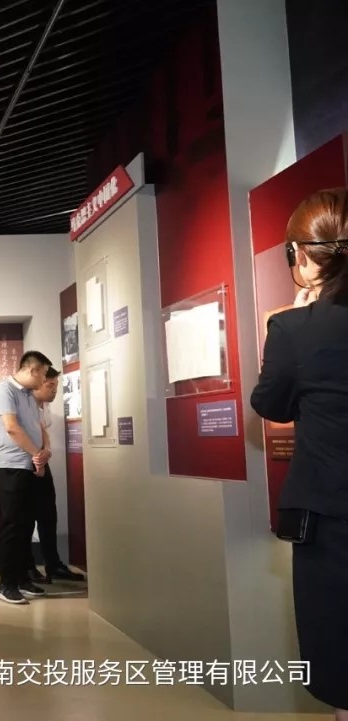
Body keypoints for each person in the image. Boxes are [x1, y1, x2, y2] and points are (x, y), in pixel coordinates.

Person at [250, 188, 348, 720]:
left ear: (304, 256)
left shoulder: (294, 328)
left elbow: (271, 403)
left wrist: (296, 319)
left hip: (331, 517)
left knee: (340, 654)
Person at [0, 350, 52, 605]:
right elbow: (11, 427)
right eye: (44, 374)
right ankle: (6, 584)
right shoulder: (5, 390)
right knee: (13, 525)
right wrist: (37, 454)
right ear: (32, 370)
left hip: (28, 465)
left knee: (26, 524)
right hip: (10, 467)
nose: (44, 380)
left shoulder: (29, 396)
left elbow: (37, 427)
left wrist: (43, 454)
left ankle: (22, 578)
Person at [30, 368, 84, 583]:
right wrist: (37, 457)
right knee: (25, 517)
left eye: (56, 386)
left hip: (43, 460)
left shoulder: (44, 407)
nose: (54, 391)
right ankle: (27, 567)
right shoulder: (25, 405)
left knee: (48, 514)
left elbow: (44, 432)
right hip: (26, 463)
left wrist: (46, 451)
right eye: (50, 385)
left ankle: (53, 564)